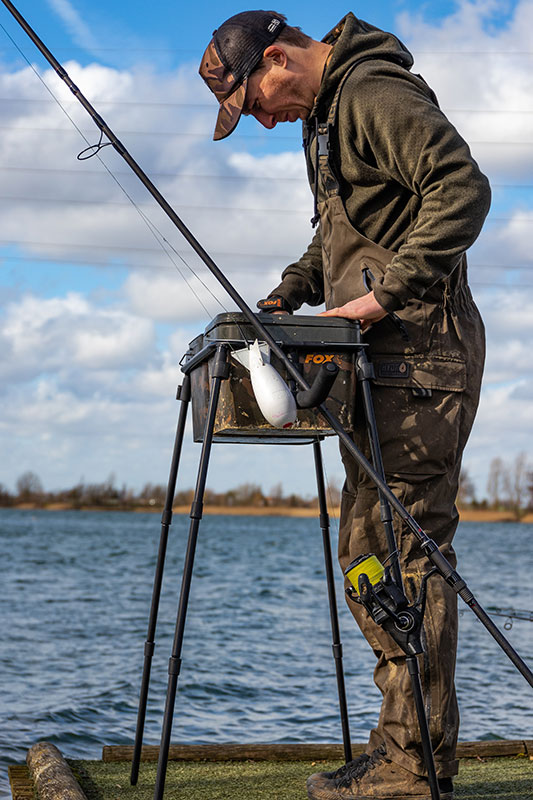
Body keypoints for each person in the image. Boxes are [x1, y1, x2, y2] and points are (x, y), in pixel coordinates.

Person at [199, 10, 490, 800]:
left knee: (407, 550)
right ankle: (399, 748)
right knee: (366, 548)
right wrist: (290, 291)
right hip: (377, 363)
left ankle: (416, 766)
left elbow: (462, 188)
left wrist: (379, 300)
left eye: (253, 103)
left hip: (419, 356)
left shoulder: (369, 92)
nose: (260, 119)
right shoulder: (323, 119)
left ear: (278, 57)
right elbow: (338, 233)